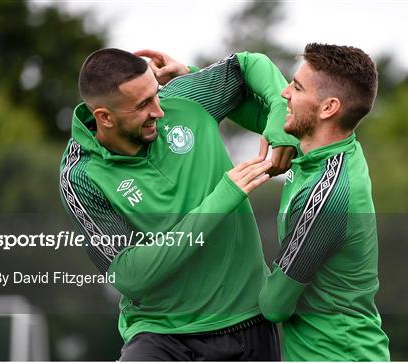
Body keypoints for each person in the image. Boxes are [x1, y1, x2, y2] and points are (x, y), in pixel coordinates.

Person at [59, 47, 298, 360]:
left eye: (155, 94)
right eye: (143, 104)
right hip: (160, 335)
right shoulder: (81, 176)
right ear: (104, 117)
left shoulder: (184, 98)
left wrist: (281, 123)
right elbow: (131, 276)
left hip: (246, 321)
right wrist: (223, 197)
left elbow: (250, 65)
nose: (158, 110)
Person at [258, 43, 390, 361]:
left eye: (297, 87)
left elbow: (274, 305)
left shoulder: (326, 197)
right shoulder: (329, 147)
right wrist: (189, 77)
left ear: (329, 108)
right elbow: (255, 71)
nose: (284, 93)